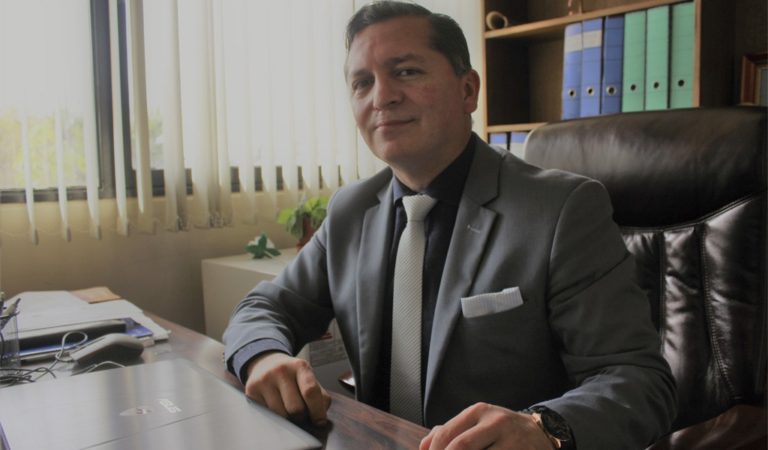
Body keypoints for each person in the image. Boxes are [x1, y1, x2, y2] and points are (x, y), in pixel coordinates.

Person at [223, 2, 677, 449]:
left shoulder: (562, 209)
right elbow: (265, 307)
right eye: (362, 82)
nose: (382, 97)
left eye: (406, 71)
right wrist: (263, 356)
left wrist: (544, 428)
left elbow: (639, 381)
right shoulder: (350, 210)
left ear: (467, 90)